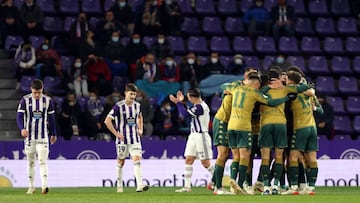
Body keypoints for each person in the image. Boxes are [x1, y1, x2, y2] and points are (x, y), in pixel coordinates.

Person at [224, 72, 291, 195]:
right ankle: (240, 184)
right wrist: (285, 98)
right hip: (244, 127)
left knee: (236, 157)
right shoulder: (254, 93)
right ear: (255, 84)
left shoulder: (235, 87)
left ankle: (233, 184)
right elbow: (270, 102)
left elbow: (224, 87)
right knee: (245, 156)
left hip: (231, 126)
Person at [258, 69, 313, 195]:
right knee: (279, 157)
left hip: (266, 125)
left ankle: (267, 187)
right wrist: (307, 85)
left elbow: (259, 95)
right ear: (277, 79)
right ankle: (276, 185)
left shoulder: (264, 91)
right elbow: (302, 88)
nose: (283, 80)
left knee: (266, 158)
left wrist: (270, 87)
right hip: (281, 125)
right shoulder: (285, 89)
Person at [104, 83, 149, 193]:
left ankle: (139, 185)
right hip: (122, 140)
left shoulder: (137, 105)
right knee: (121, 162)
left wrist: (140, 128)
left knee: (137, 160)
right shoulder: (118, 106)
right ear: (125, 93)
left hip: (135, 139)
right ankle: (119, 184)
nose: (133, 96)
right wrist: (116, 134)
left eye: (134, 94)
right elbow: (107, 121)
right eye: (131, 94)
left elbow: (139, 116)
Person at [283, 71, 322, 195]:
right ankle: (310, 188)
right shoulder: (309, 93)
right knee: (312, 158)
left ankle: (293, 187)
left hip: (300, 127)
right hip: (312, 127)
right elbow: (311, 91)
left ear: (290, 81)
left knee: (293, 157)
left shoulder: (291, 90)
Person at [16, 79, 57, 194]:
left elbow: (51, 118)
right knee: (30, 162)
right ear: (31, 90)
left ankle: (44, 186)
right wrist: (22, 128)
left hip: (43, 136)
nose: (37, 95)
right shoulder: (25, 100)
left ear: (42, 90)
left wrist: (53, 133)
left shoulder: (48, 101)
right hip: (29, 137)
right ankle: (31, 186)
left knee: (43, 161)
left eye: (39, 92)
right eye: (35, 92)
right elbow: (19, 116)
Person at [169, 89, 214, 193]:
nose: (188, 99)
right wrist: (181, 103)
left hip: (201, 136)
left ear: (193, 97)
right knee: (189, 159)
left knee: (205, 163)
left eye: (189, 97)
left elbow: (185, 115)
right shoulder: (196, 106)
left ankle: (217, 180)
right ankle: (187, 187)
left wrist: (178, 103)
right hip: (193, 136)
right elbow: (188, 112)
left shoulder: (201, 107)